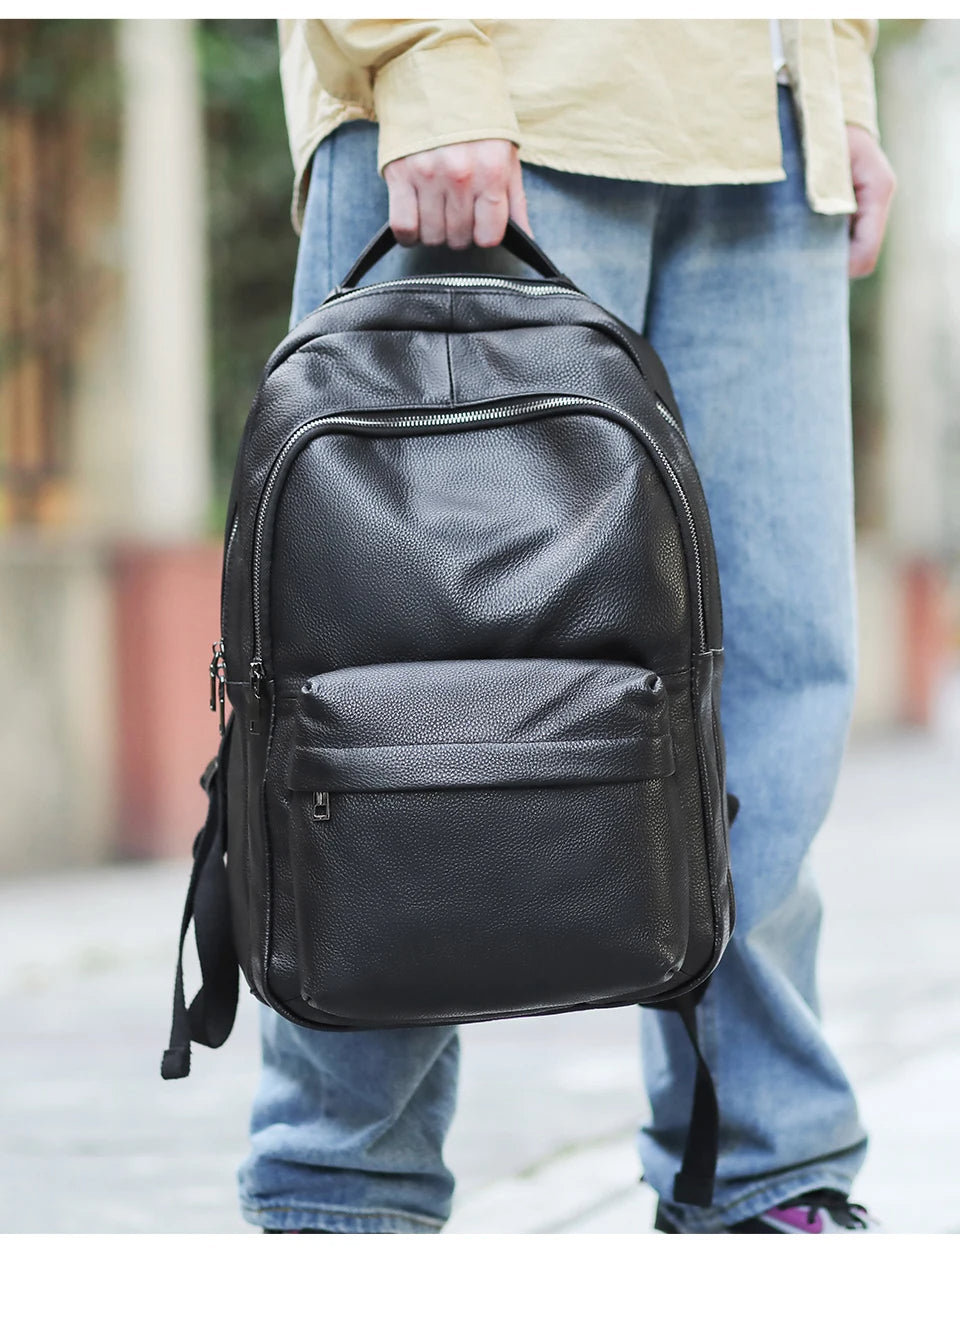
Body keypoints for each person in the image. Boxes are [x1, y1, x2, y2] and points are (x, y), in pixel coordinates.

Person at [238, 19, 896, 1234]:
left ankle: (755, 1169)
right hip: (499, 106)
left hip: (765, 134)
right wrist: (426, 54)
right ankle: (344, 1199)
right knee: (397, 662)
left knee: (770, 687)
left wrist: (837, 80)